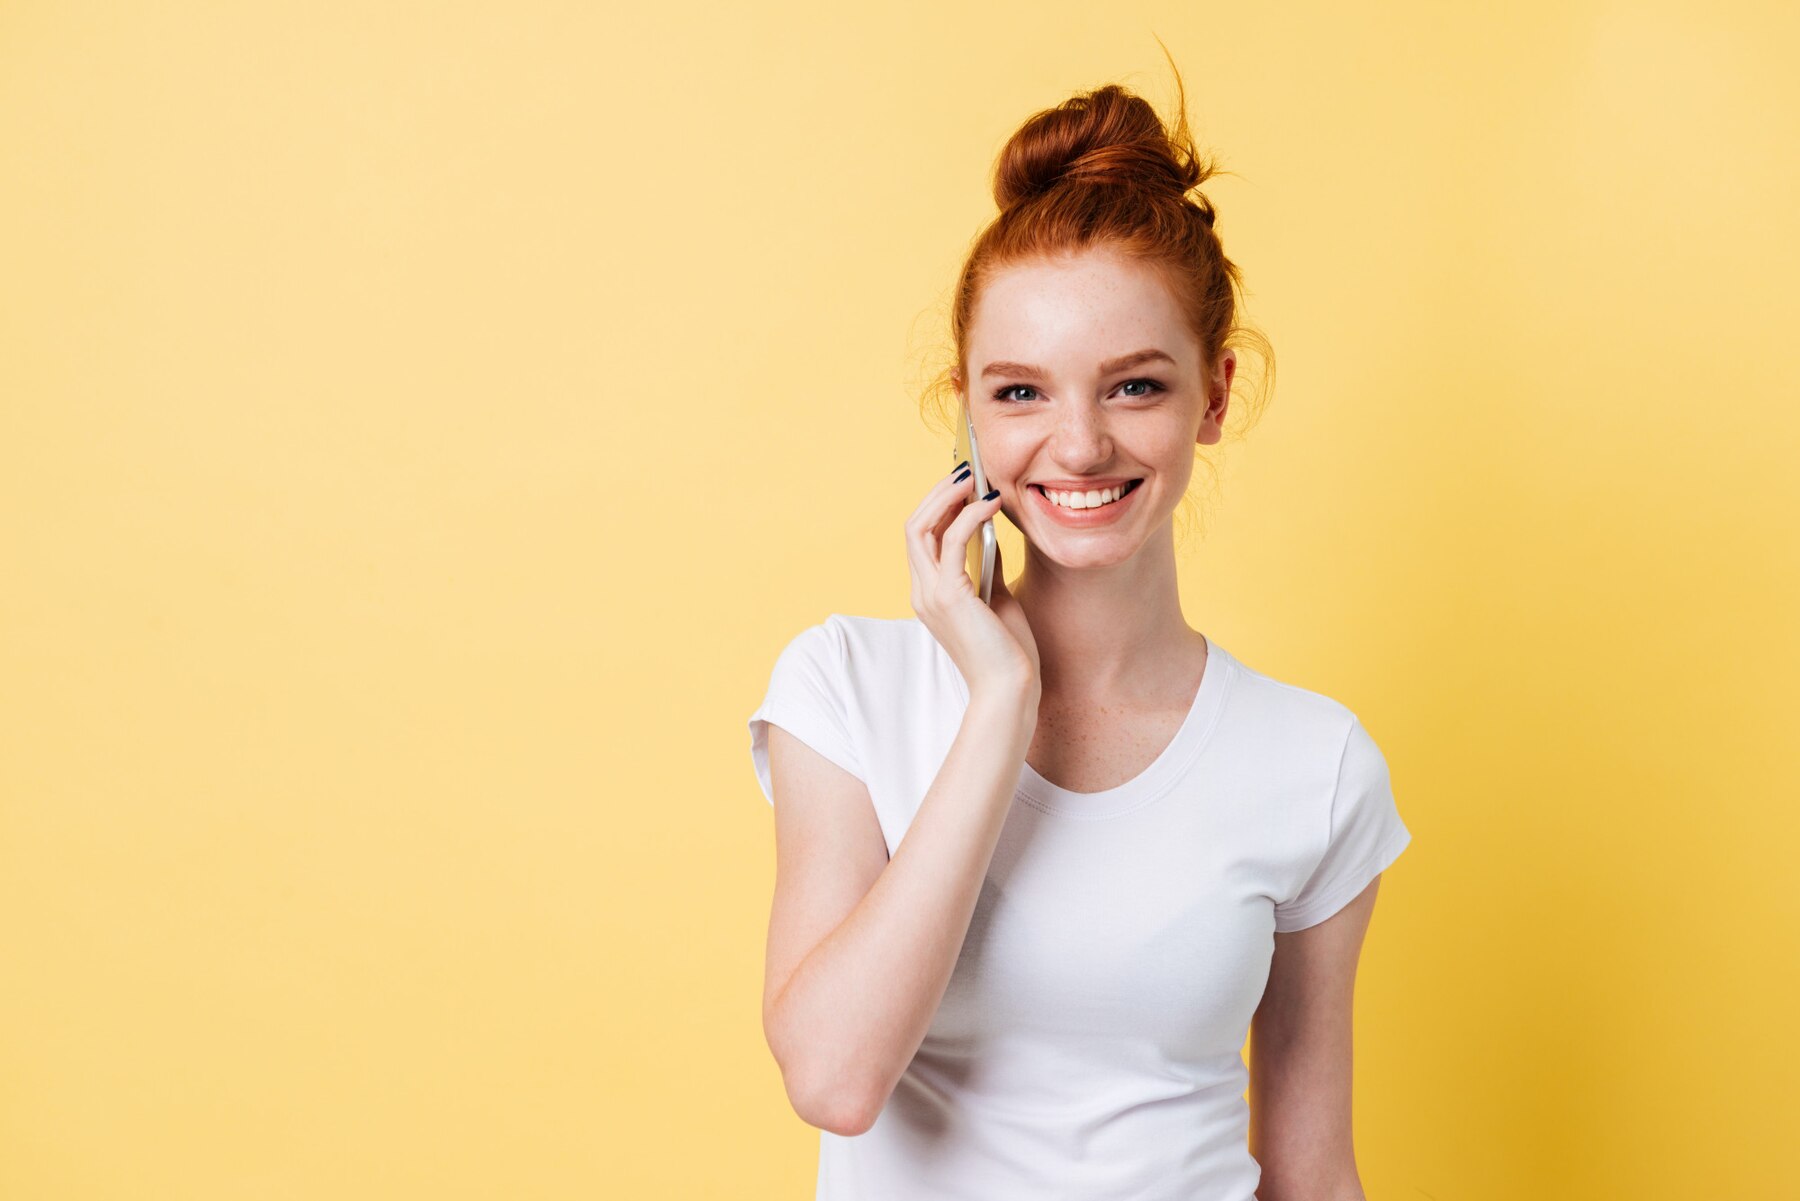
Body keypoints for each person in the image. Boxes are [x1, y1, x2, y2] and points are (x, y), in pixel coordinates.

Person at [745, 62, 1413, 1201]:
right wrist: (998, 704)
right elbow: (835, 1076)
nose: (1080, 444)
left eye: (1135, 387)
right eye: (1020, 393)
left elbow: (1310, 1171)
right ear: (966, 405)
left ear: (1212, 396)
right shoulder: (845, 688)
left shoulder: (1316, 763)